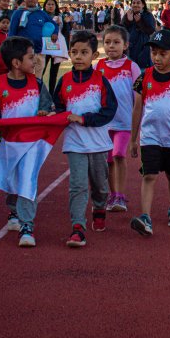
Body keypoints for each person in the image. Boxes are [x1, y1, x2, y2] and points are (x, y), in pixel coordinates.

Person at [0, 36, 54, 247]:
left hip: (32, 143)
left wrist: (45, 113)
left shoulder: (38, 84)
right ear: (16, 62)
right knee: (12, 180)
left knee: (27, 180)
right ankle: (13, 211)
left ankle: (27, 225)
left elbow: (48, 107)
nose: (36, 62)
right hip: (9, 143)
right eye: (31, 58)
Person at [128, 30, 170, 235]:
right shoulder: (144, 78)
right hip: (149, 136)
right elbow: (137, 109)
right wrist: (133, 139)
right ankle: (146, 217)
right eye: (153, 53)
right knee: (149, 175)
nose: (157, 58)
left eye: (162, 54)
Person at [53, 30, 118, 247]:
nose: (78, 57)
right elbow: (60, 107)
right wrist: (55, 115)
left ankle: (99, 207)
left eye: (84, 52)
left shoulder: (101, 81)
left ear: (94, 56)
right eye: (74, 52)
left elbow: (109, 111)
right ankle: (77, 227)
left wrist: (83, 119)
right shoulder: (64, 81)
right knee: (77, 185)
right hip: (75, 144)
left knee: (100, 184)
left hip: (99, 144)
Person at [96, 25, 141, 213]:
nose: (111, 46)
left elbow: (138, 97)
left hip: (124, 123)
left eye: (116, 42)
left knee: (119, 155)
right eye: (107, 42)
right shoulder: (98, 67)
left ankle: (120, 195)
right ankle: (113, 195)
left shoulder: (132, 66)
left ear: (126, 45)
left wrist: (136, 127)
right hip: (104, 125)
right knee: (108, 161)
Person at [8, 0, 59, 79]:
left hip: (39, 52)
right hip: (22, 53)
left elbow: (54, 24)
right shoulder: (18, 13)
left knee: (37, 79)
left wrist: (55, 33)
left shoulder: (41, 13)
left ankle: (36, 92)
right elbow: (12, 32)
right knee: (23, 78)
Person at [121, 0, 157, 69]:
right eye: (133, 3)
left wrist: (140, 22)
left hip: (143, 48)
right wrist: (128, 21)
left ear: (143, 5)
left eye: (138, 3)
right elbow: (121, 30)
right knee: (129, 69)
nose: (135, 5)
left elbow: (151, 30)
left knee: (142, 71)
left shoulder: (148, 15)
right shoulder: (128, 15)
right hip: (129, 48)